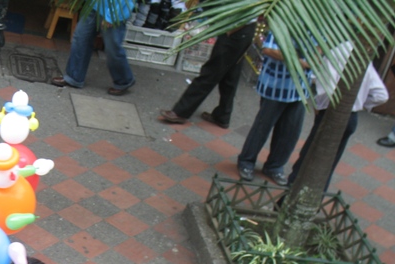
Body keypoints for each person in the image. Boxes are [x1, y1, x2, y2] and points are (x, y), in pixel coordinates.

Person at [287, 42, 388, 189]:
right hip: (350, 117)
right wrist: (359, 103)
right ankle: (315, 201)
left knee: (308, 159)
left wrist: (319, 104)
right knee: (328, 163)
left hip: (330, 113)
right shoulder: (362, 57)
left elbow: (321, 83)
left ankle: (288, 200)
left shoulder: (332, 52)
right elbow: (381, 95)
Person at [236, 32, 311, 186]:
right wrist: (299, 61)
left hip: (299, 90)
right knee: (262, 127)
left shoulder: (317, 28)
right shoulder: (284, 23)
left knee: (291, 131)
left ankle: (275, 166)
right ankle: (246, 162)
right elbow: (269, 50)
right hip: (275, 86)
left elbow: (317, 55)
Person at [159, 18, 259, 128]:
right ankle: (223, 115)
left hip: (237, 28)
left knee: (211, 72)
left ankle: (181, 111)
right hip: (242, 30)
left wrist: (229, 31)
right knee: (230, 75)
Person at [50, 0, 137, 96]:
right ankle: (74, 77)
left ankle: (124, 80)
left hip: (116, 9)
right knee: (81, 38)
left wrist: (113, 15)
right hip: (95, 5)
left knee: (112, 49)